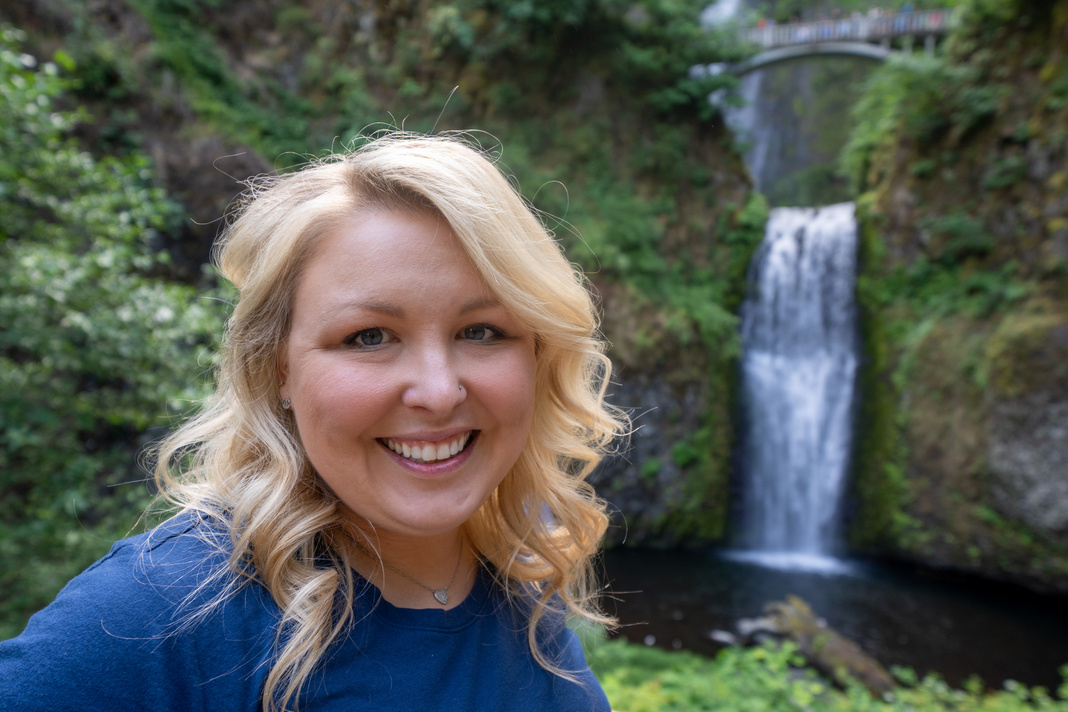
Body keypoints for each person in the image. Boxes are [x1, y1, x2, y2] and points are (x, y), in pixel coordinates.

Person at [0, 132, 628, 711]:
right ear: (277, 368)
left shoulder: (524, 604)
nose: (438, 392)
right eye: (369, 336)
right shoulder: (165, 611)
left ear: (538, 354)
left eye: (482, 331)